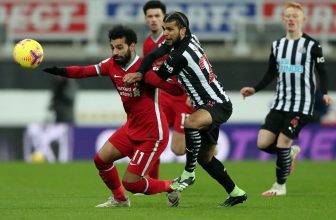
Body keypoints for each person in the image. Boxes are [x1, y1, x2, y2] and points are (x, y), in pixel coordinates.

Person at [43, 25, 185, 207]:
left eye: (120, 47)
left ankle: (172, 186)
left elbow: (173, 88)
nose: (115, 52)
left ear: (132, 46)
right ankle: (120, 199)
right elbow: (84, 71)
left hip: (152, 133)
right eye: (112, 47)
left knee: (132, 183)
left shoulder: (145, 68)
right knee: (101, 160)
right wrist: (59, 70)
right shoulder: (111, 65)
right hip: (131, 127)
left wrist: (176, 85)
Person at [124, 11, 247, 207]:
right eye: (164, 29)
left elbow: (158, 77)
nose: (165, 33)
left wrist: (141, 76)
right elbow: (153, 54)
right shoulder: (188, 39)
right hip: (209, 105)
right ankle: (236, 192)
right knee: (205, 158)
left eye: (170, 29)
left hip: (217, 105)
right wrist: (140, 71)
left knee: (190, 122)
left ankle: (188, 173)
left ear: (183, 30)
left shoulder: (179, 55)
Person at [240, 2, 333, 196]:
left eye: (295, 16)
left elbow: (322, 72)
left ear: (302, 20)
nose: (291, 19)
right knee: (262, 143)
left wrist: (324, 93)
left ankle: (279, 186)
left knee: (283, 141)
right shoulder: (277, 45)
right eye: (288, 16)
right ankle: (289, 153)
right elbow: (270, 73)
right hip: (281, 103)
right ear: (283, 19)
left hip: (302, 105)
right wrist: (254, 89)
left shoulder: (312, 46)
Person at [142, 0, 194, 179]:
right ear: (145, 19)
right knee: (153, 136)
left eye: (157, 16)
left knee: (178, 149)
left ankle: (206, 139)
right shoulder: (148, 43)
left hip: (182, 95)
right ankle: (152, 181)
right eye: (150, 16)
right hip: (163, 96)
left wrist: (192, 92)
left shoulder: (175, 38)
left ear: (164, 18)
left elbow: (192, 64)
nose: (154, 20)